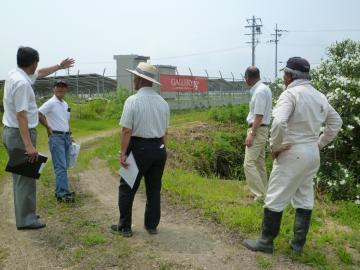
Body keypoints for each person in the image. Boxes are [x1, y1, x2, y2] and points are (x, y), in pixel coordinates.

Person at [242, 57, 342, 253]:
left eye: (284, 74)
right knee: (304, 196)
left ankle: (265, 242)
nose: (283, 78)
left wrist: (276, 147)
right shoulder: (319, 96)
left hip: (292, 151)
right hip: (312, 153)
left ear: (289, 76)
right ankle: (297, 245)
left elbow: (278, 122)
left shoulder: (290, 95)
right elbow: (336, 123)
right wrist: (319, 144)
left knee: (275, 196)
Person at [2, 46, 75, 230]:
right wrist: (28, 145)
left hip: (11, 131)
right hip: (19, 134)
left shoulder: (15, 74)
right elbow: (21, 116)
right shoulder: (22, 84)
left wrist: (59, 66)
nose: (37, 68)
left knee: (22, 177)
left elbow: (40, 73)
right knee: (25, 178)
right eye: (37, 64)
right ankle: (26, 219)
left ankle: (26, 214)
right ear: (33, 63)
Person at [110, 62, 170, 237]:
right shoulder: (163, 102)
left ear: (139, 79)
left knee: (127, 187)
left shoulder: (133, 100)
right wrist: (163, 150)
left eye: (134, 77)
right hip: (159, 148)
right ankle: (151, 225)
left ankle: (125, 227)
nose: (133, 80)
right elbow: (165, 132)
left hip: (138, 147)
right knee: (153, 189)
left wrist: (123, 153)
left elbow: (126, 130)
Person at [39, 80, 75, 202]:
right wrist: (48, 126)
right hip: (56, 137)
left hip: (65, 137)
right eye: (58, 87)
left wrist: (70, 134)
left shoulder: (65, 104)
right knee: (60, 166)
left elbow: (65, 120)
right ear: (53, 89)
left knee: (64, 165)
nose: (61, 89)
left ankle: (61, 190)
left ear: (66, 90)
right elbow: (38, 113)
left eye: (63, 87)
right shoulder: (51, 103)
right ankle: (62, 193)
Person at [243, 66, 272, 201]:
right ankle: (265, 192)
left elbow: (258, 115)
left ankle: (259, 195)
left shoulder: (259, 91)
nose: (245, 80)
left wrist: (252, 134)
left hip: (258, 129)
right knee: (259, 164)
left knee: (248, 163)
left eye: (245, 78)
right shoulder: (264, 88)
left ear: (248, 77)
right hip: (262, 129)